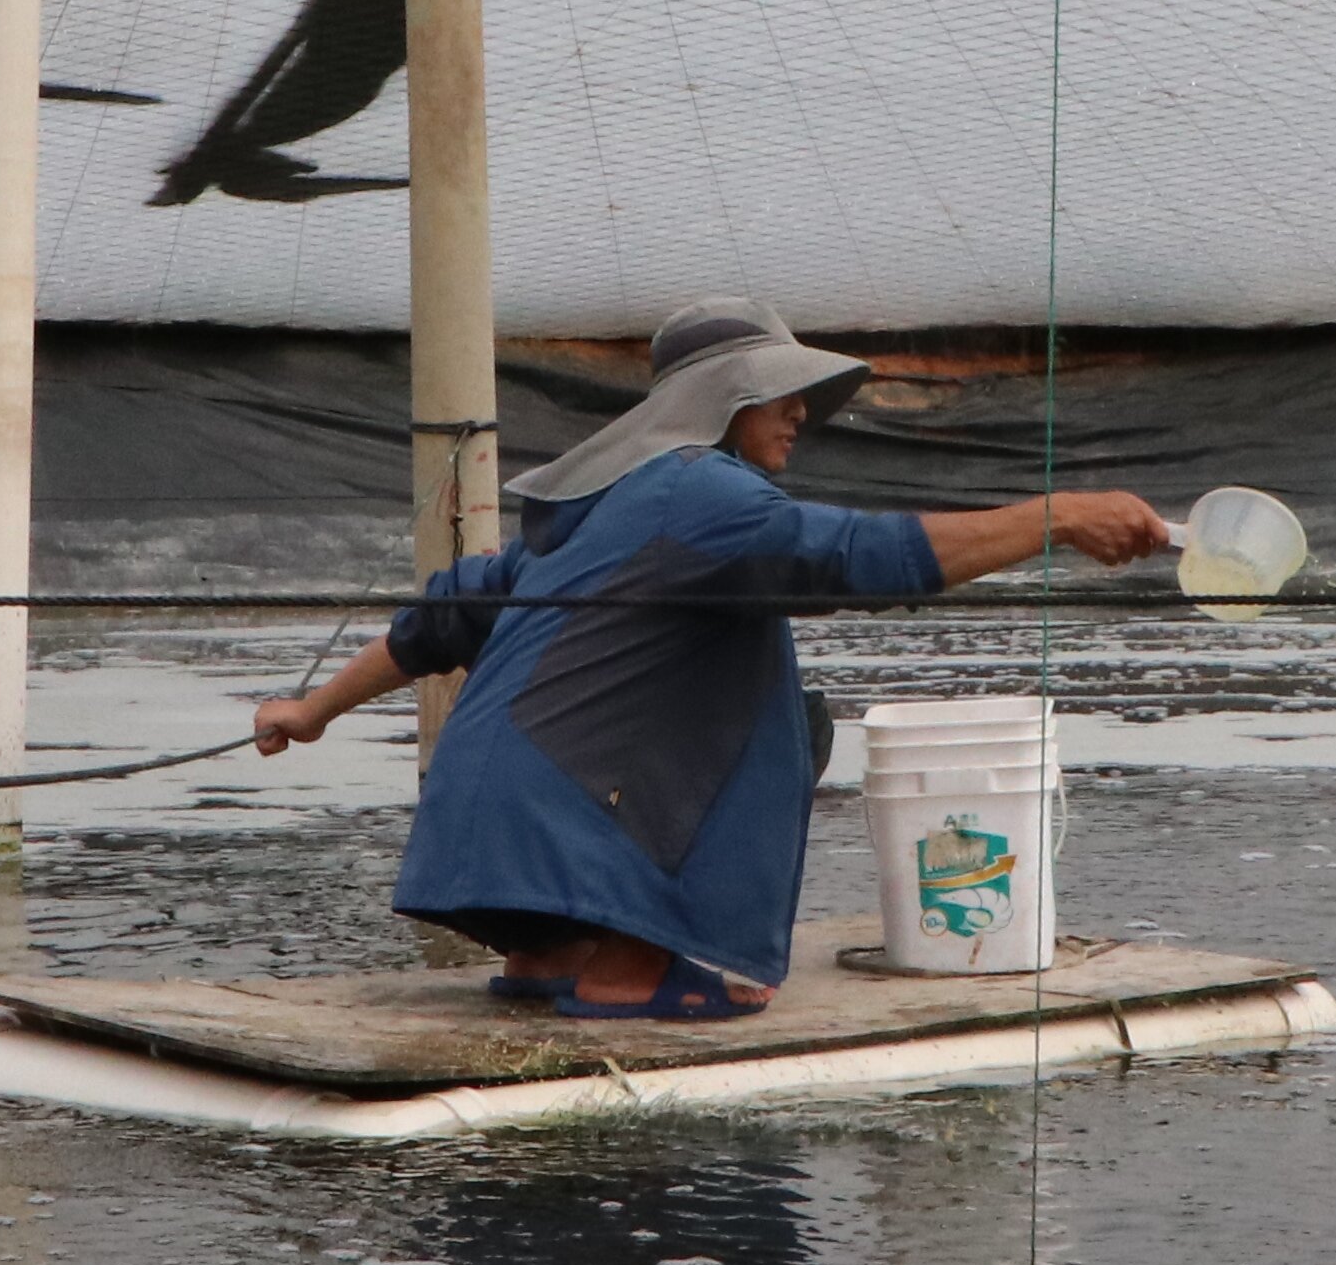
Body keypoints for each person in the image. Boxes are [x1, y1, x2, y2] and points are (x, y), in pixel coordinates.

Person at [250, 305, 1172, 1017]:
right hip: (559, 822)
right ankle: (628, 965)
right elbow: (865, 557)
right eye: (781, 394)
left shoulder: (600, 507)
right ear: (724, 400)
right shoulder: (705, 494)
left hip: (477, 842)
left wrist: (314, 710)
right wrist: (1056, 516)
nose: (802, 413)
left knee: (684, 660)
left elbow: (441, 619)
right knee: (792, 714)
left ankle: (547, 955)